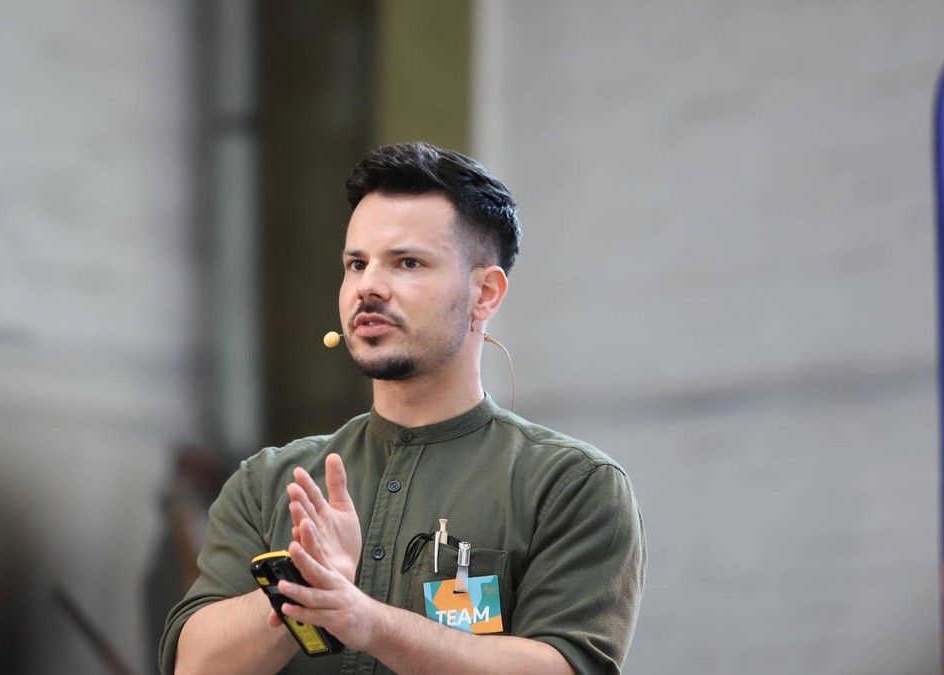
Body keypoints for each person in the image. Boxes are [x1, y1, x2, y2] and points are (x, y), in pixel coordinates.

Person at [160, 142, 645, 675]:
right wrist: (305, 586)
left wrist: (373, 623)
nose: (368, 286)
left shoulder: (569, 485)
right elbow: (195, 666)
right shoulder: (269, 483)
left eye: (407, 262)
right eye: (356, 264)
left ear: (485, 294)